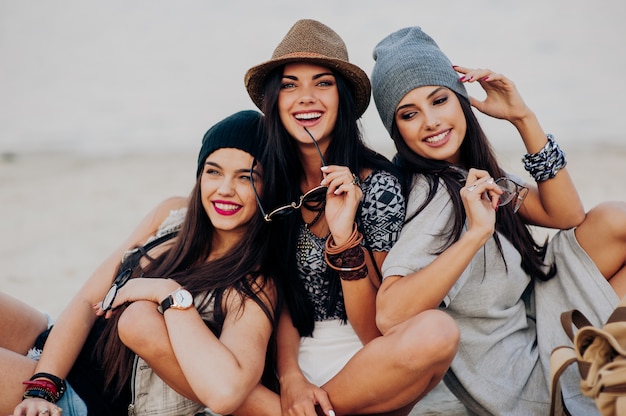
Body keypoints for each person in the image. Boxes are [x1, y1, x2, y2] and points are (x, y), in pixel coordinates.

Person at [370, 26, 626, 415]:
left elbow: (567, 214)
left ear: (461, 100)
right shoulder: (433, 197)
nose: (431, 122)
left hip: (538, 323)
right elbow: (389, 314)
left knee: (612, 219)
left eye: (439, 100)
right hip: (525, 380)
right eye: (409, 114)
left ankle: (611, 362)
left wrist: (522, 117)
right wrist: (475, 235)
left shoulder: (470, 174)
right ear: (397, 129)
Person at [237, 19, 459, 416]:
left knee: (437, 332)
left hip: (368, 363)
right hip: (291, 364)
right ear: (275, 100)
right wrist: (290, 378)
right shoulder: (272, 184)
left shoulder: (378, 187)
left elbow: (376, 329)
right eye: (290, 85)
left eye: (322, 83)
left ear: (341, 98)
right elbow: (282, 295)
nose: (306, 97)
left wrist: (344, 239)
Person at [1, 110, 278, 416]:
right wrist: (44, 382)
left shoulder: (251, 285)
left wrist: (168, 292)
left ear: (270, 187)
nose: (225, 189)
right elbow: (87, 299)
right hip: (60, 350)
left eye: (246, 177)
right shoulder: (173, 215)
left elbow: (229, 388)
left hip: (85, 400)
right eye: (213, 172)